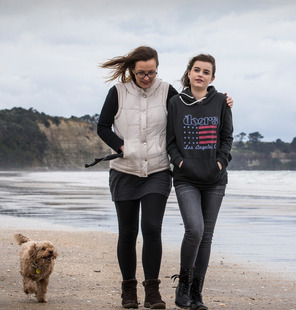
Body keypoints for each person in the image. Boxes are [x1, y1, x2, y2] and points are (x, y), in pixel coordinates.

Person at [96, 46, 232, 309]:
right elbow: (102, 126)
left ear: (157, 68)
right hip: (124, 172)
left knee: (151, 228)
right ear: (132, 71)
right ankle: (128, 291)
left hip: (157, 171)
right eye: (141, 74)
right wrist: (122, 147)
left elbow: (195, 105)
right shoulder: (118, 92)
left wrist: (222, 100)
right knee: (127, 233)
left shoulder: (167, 91)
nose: (147, 78)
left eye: (152, 72)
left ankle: (152, 292)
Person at [166, 54, 233, 310]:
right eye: (197, 70)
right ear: (189, 72)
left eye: (206, 72)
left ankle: (196, 295)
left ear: (212, 78)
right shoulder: (175, 102)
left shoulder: (221, 102)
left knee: (206, 237)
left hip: (215, 181)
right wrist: (180, 163)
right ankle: (183, 284)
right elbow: (170, 141)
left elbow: (227, 138)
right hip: (186, 179)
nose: (200, 75)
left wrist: (219, 163)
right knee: (194, 229)